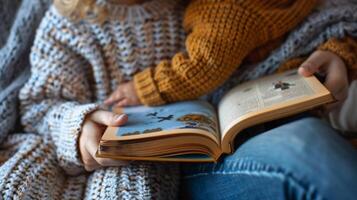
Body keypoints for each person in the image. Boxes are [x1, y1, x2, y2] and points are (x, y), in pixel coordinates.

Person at [10, 0, 317, 199]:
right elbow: (40, 106)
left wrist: (336, 49)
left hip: (214, 161)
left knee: (310, 149)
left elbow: (303, 22)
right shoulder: (67, 25)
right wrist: (78, 127)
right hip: (115, 158)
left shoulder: (209, 9)